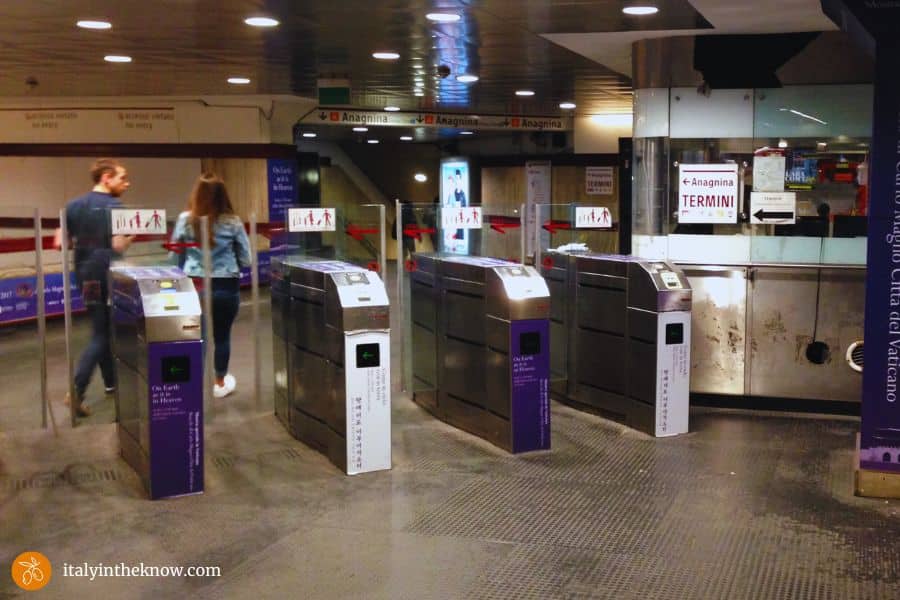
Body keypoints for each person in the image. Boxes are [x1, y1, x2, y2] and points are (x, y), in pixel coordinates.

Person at [54, 158, 134, 417]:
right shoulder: (115, 206)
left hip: (86, 275)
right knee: (102, 333)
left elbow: (59, 242)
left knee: (101, 325)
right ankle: (77, 389)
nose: (127, 183)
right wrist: (134, 234)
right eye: (122, 178)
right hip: (107, 274)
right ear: (106, 177)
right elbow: (119, 246)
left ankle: (111, 383)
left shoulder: (73, 205)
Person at [169, 173, 251, 398]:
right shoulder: (232, 222)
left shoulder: (186, 219)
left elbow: (174, 256)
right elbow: (246, 259)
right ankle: (219, 382)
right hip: (226, 285)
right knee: (222, 336)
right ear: (223, 195)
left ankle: (193, 387)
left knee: (197, 336)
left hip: (194, 285)